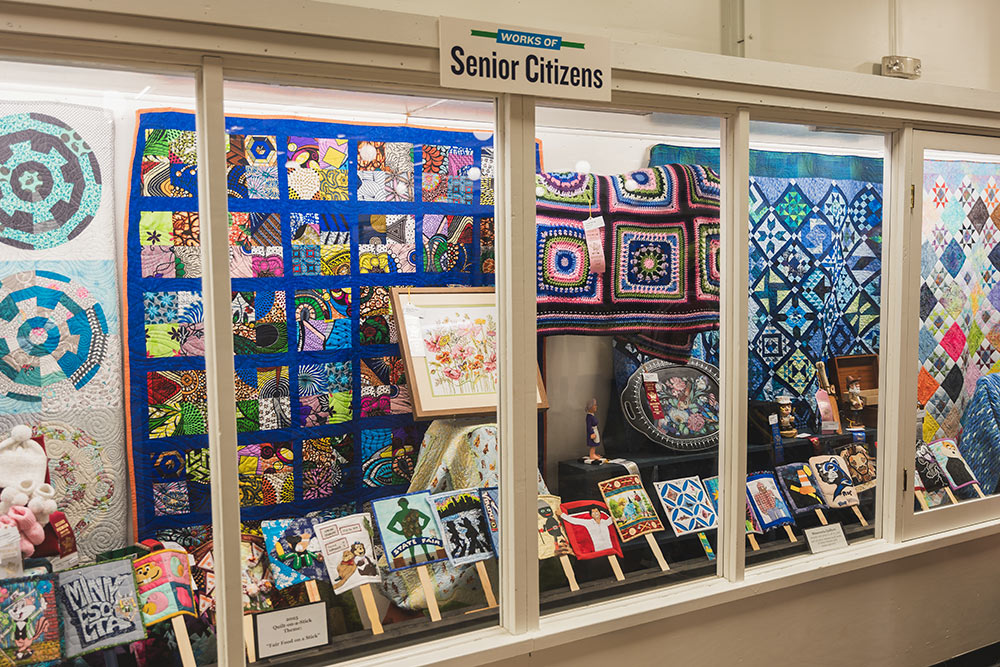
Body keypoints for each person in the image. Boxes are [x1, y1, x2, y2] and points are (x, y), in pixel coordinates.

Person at [386, 497, 433, 564]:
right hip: (408, 531)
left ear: (407, 503)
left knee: (421, 542)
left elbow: (427, 518)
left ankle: (427, 557)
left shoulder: (414, 511)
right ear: (399, 505)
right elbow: (390, 526)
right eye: (401, 504)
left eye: (404, 503)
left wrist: (423, 527)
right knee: (412, 544)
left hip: (415, 529)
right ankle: (414, 560)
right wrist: (399, 532)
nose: (403, 505)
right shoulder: (399, 514)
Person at [585, 398, 603, 463]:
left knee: (595, 443)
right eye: (594, 405)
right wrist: (592, 433)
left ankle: (593, 453)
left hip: (595, 430)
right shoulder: (589, 417)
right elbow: (589, 426)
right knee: (593, 443)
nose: (596, 406)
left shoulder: (592, 415)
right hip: (592, 431)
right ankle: (592, 454)